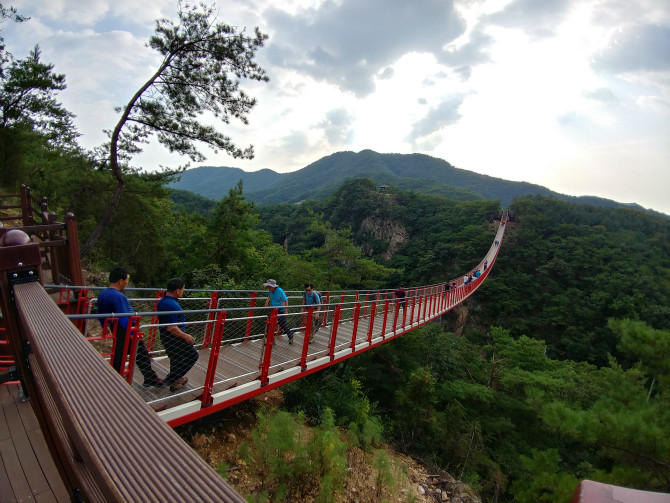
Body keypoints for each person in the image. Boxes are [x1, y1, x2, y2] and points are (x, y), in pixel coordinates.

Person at [97, 267, 162, 387]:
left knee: (121, 353)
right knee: (139, 353)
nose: (127, 283)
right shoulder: (118, 296)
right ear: (120, 281)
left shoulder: (103, 293)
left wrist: (104, 325)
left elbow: (100, 312)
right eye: (126, 280)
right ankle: (148, 378)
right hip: (125, 329)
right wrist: (132, 334)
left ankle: (119, 376)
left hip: (115, 327)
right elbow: (123, 317)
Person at [156, 278, 199, 392]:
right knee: (193, 355)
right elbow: (172, 327)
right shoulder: (173, 305)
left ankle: (176, 382)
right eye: (183, 289)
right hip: (175, 338)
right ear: (177, 291)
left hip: (165, 336)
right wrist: (186, 336)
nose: (183, 291)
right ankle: (172, 379)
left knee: (176, 358)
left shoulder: (162, 301)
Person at [264, 279, 293, 344]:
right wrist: (267, 302)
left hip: (281, 310)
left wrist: (286, 311)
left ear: (273, 286)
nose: (268, 288)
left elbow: (285, 300)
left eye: (269, 286)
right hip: (273, 310)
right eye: (268, 286)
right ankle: (271, 339)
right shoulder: (270, 291)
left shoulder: (280, 291)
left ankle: (290, 335)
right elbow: (269, 296)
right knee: (270, 323)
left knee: (283, 325)